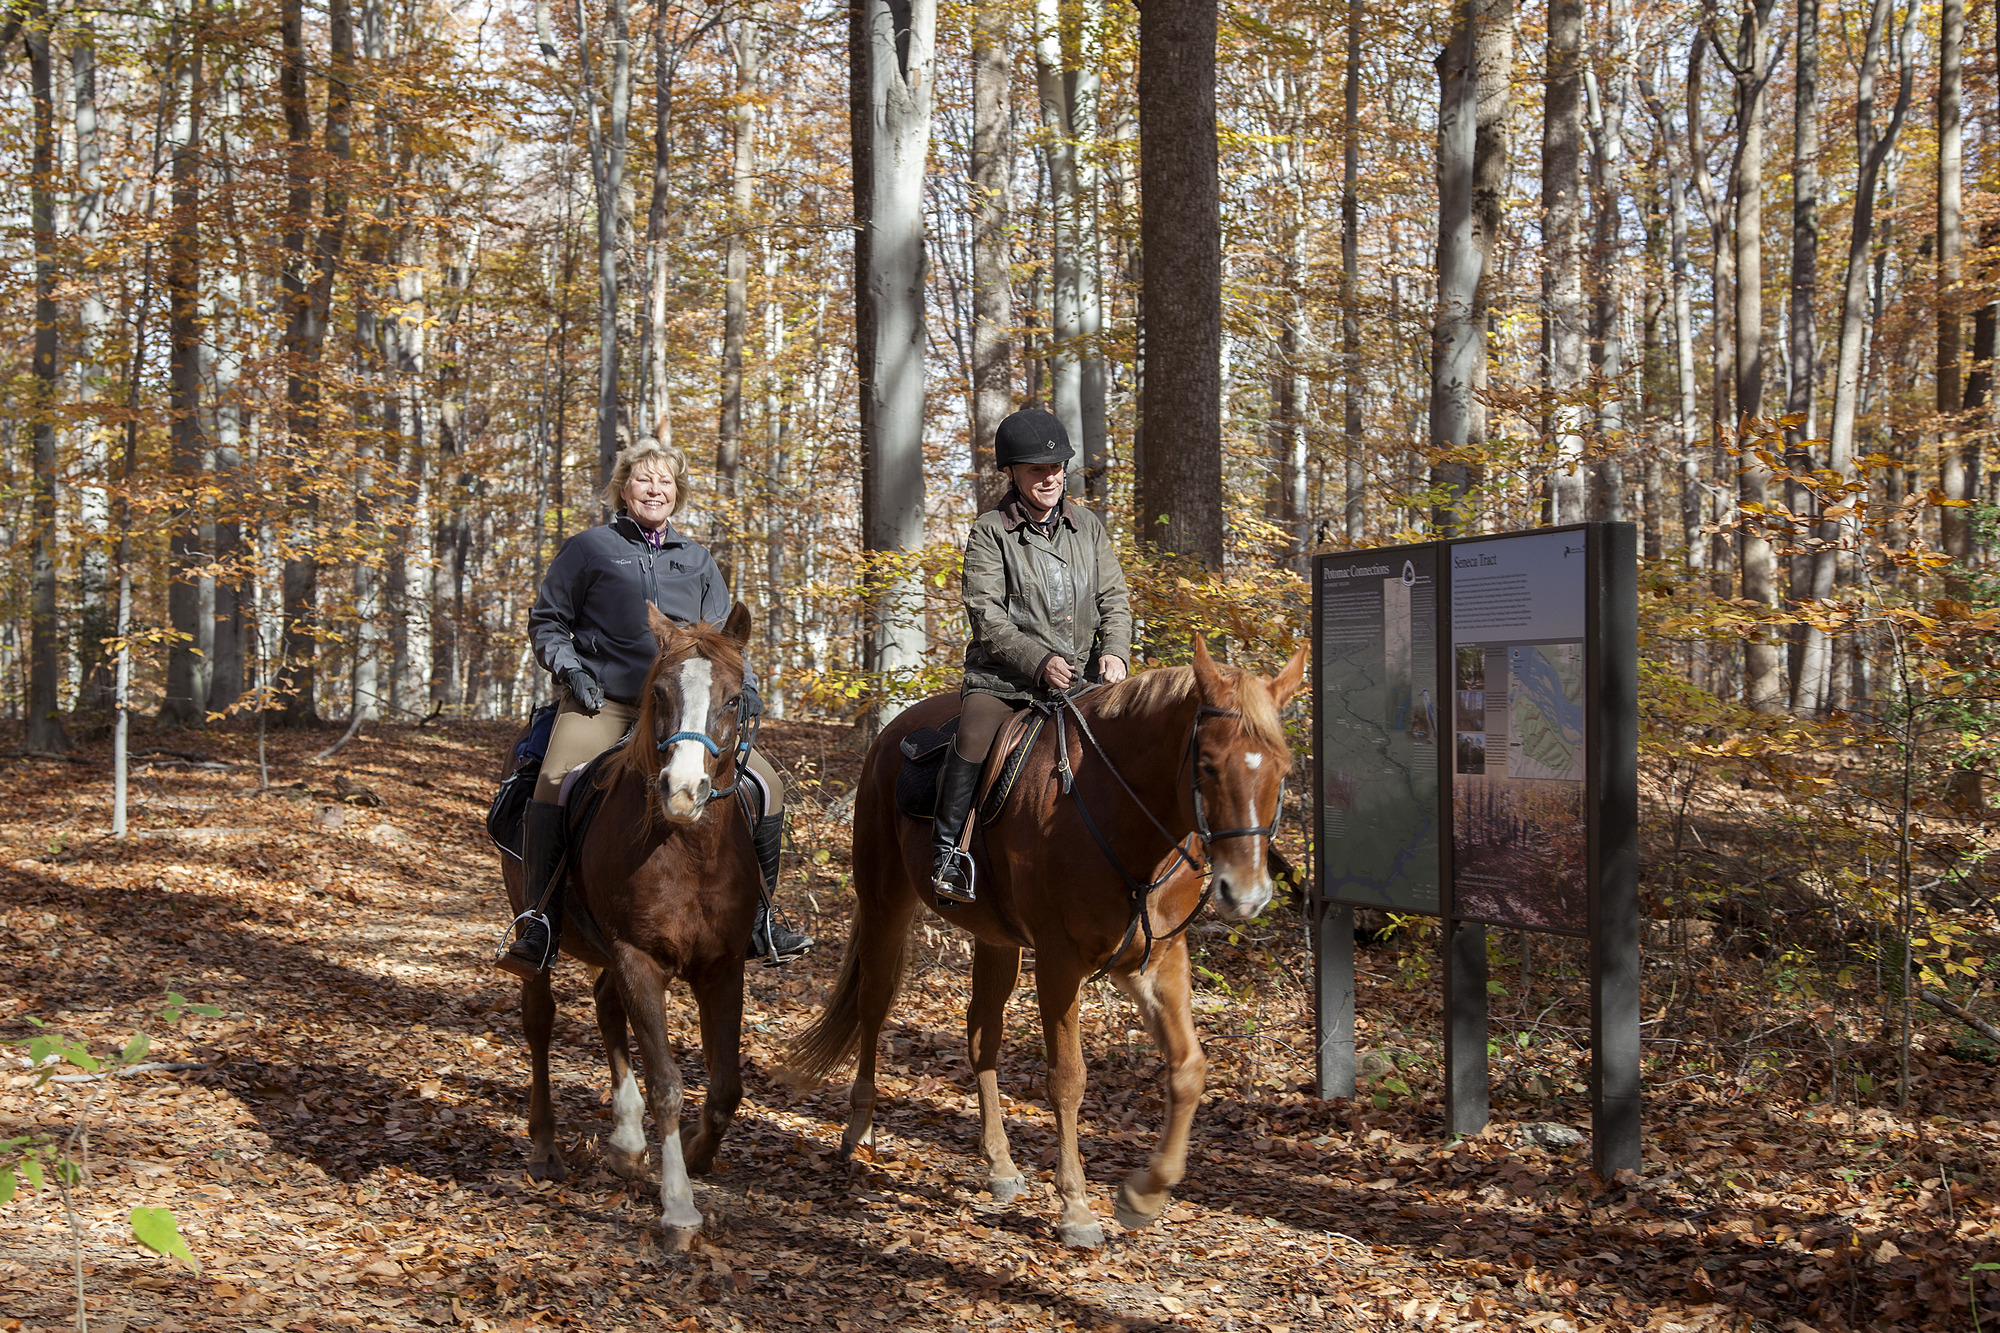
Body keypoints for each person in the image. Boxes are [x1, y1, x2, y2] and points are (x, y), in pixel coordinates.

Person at [495, 438, 813, 977]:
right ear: (624, 488)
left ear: (678, 493)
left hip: (685, 713)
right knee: (553, 781)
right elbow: (548, 621)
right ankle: (541, 923)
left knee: (770, 786)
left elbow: (725, 645)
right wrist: (571, 668)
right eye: (645, 479)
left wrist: (748, 685)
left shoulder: (696, 560)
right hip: (606, 703)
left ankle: (760, 918)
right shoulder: (588, 549)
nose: (655, 489)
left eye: (666, 481)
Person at [932, 408, 1132, 904]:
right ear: (1012, 474)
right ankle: (948, 855)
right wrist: (1038, 660)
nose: (1050, 477)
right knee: (974, 736)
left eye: (1057, 467)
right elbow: (987, 615)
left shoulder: (1089, 527)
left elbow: (1115, 600)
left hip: (1082, 678)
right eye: (1037, 470)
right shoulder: (989, 532)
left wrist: (1116, 653)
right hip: (1005, 681)